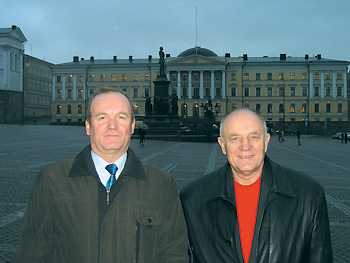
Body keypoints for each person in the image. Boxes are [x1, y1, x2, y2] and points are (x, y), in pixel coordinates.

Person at [15, 87, 188, 263]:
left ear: (132, 126)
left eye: (121, 117)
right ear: (88, 126)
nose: (112, 126)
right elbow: (32, 253)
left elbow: (173, 254)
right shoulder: (52, 180)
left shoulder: (161, 184)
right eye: (102, 117)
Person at [180, 108, 332, 263]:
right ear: (222, 145)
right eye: (235, 138)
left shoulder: (309, 195)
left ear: (266, 141)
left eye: (253, 137)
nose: (245, 146)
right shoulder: (191, 200)